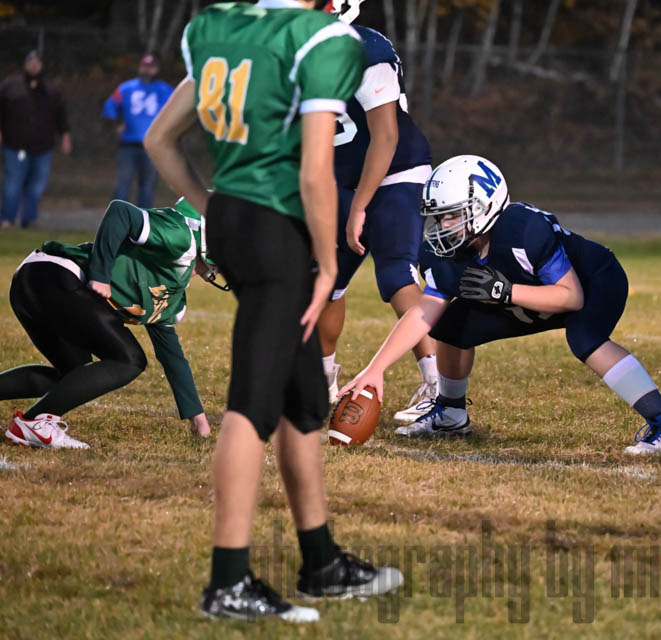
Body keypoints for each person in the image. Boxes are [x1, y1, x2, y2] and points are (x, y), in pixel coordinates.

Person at [144, 0, 401, 623]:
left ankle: (322, 562)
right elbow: (314, 173)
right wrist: (327, 261)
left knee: (304, 398)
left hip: (236, 216)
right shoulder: (320, 39)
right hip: (277, 228)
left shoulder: (217, 26)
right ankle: (227, 582)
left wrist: (212, 206)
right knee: (253, 405)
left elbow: (159, 139)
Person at [339, 155, 661, 454]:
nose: (443, 225)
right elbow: (422, 313)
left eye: (452, 215)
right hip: (520, 295)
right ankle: (451, 414)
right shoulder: (446, 253)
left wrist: (506, 292)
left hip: (593, 283)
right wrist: (375, 369)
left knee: (585, 338)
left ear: (483, 207)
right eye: (439, 216)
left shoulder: (523, 229)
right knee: (450, 325)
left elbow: (571, 296)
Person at [0, 198, 212, 449]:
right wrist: (101, 275)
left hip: (35, 281)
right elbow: (121, 212)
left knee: (75, 376)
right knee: (129, 360)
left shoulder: (174, 291)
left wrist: (197, 418)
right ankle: (35, 422)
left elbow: (172, 356)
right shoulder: (181, 235)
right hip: (56, 276)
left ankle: (34, 421)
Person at [317, 1, 438, 424]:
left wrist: (359, 206)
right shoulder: (293, 56)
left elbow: (385, 137)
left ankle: (437, 387)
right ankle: (322, 381)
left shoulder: (365, 47)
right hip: (343, 177)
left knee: (395, 271)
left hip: (397, 168)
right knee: (326, 280)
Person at [0, 50, 71, 229]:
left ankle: (29, 220)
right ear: (25, 64)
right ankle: (7, 219)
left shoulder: (51, 91)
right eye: (31, 62)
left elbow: (61, 116)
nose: (34, 66)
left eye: (37, 62)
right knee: (13, 184)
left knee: (36, 187)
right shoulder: (10, 86)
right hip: (15, 146)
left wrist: (65, 136)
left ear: (41, 65)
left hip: (43, 148)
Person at [102, 54, 174, 208]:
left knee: (148, 186)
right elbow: (109, 107)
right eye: (144, 66)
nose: (147, 70)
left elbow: (176, 113)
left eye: (151, 67)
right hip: (128, 144)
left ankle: (143, 218)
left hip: (153, 146)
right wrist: (116, 124)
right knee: (123, 184)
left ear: (156, 69)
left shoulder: (165, 89)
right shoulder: (126, 88)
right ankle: (118, 216)